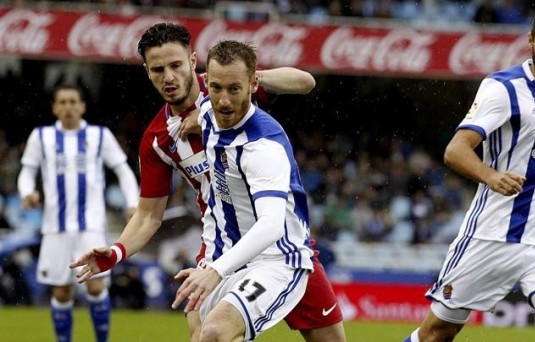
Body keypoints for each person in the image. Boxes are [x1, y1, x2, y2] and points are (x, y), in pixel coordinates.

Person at [70, 22, 345, 342]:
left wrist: (251, 79)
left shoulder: (224, 87)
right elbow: (148, 216)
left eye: (175, 65)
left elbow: (305, 82)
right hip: (221, 246)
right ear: (147, 71)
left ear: (192, 60)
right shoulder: (158, 139)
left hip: (280, 244)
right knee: (207, 335)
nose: (168, 77)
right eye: (158, 69)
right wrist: (116, 253)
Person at [405, 4, 535, 342]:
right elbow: (456, 150)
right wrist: (491, 176)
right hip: (491, 236)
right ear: (530, 41)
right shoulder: (503, 88)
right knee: (436, 335)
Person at [18, 83, 139, 342]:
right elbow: (27, 172)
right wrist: (27, 192)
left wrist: (132, 202)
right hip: (55, 228)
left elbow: (123, 170)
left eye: (73, 101)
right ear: (54, 107)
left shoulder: (99, 135)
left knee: (96, 287)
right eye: (62, 102)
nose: (68, 107)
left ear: (83, 106)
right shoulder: (41, 137)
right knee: (61, 293)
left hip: (91, 226)